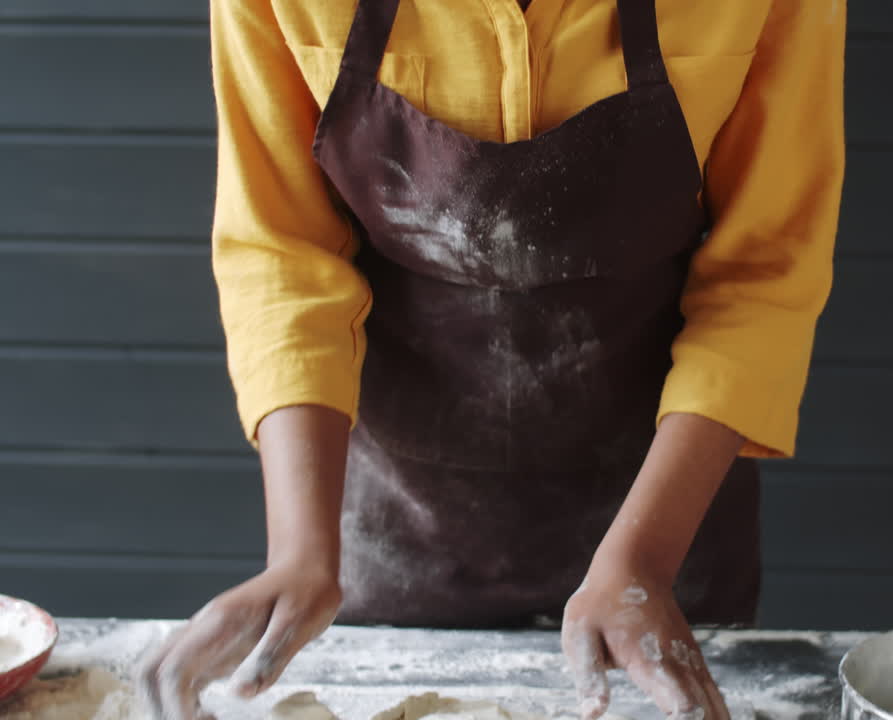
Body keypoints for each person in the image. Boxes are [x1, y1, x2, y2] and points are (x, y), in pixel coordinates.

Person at [139, 0, 845, 718]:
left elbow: (763, 271)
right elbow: (283, 254)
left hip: (667, 510)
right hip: (396, 529)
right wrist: (299, 550)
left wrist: (643, 563)